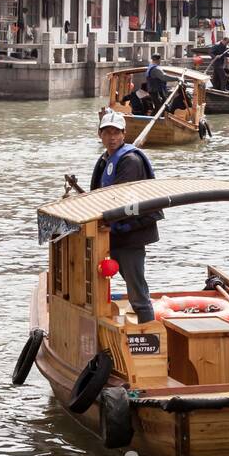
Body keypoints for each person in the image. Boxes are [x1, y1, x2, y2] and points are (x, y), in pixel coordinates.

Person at [90, 109, 161, 324]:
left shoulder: (130, 160)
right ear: (99, 135)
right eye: (106, 132)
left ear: (123, 134)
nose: (111, 137)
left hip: (130, 235)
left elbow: (120, 199)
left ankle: (149, 334)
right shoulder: (105, 160)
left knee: (137, 292)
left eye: (116, 132)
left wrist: (111, 224)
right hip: (109, 235)